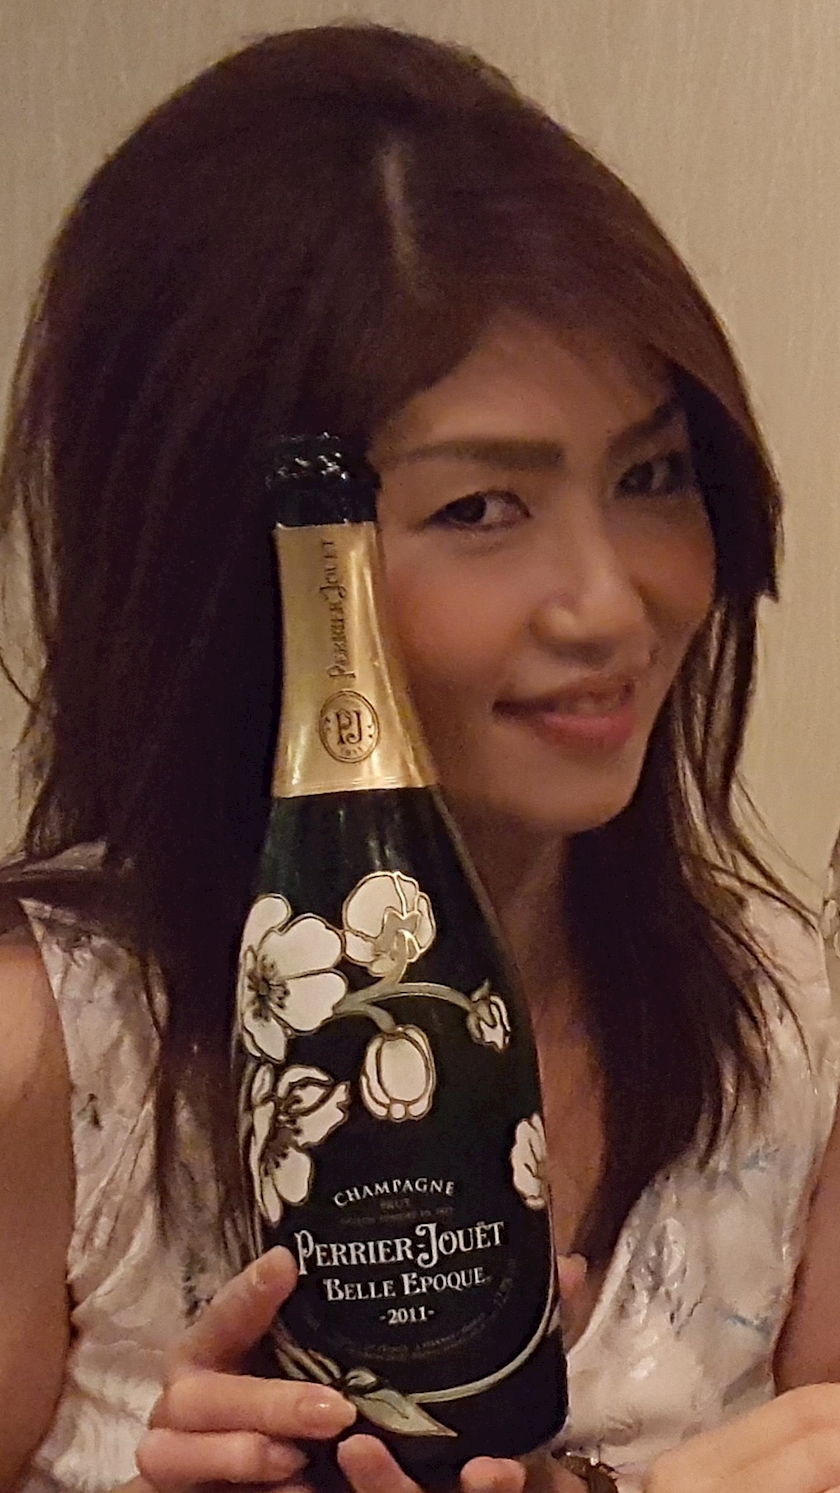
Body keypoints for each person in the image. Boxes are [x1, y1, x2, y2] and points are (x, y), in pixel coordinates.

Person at [0, 21, 839, 1493]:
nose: (611, 604)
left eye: (652, 476)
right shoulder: (50, 1049)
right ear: (259, 560)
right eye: (478, 510)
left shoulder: (779, 1021)